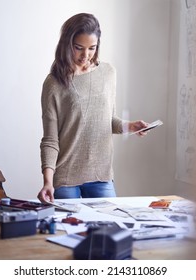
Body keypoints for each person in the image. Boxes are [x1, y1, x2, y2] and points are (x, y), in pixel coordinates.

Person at [37, 13, 148, 203]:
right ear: (67, 44)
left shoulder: (108, 73)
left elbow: (108, 120)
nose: (85, 55)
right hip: (66, 177)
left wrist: (130, 126)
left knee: (109, 229)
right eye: (78, 48)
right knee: (67, 230)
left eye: (92, 48)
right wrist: (48, 182)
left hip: (101, 175)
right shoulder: (54, 83)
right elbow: (50, 139)